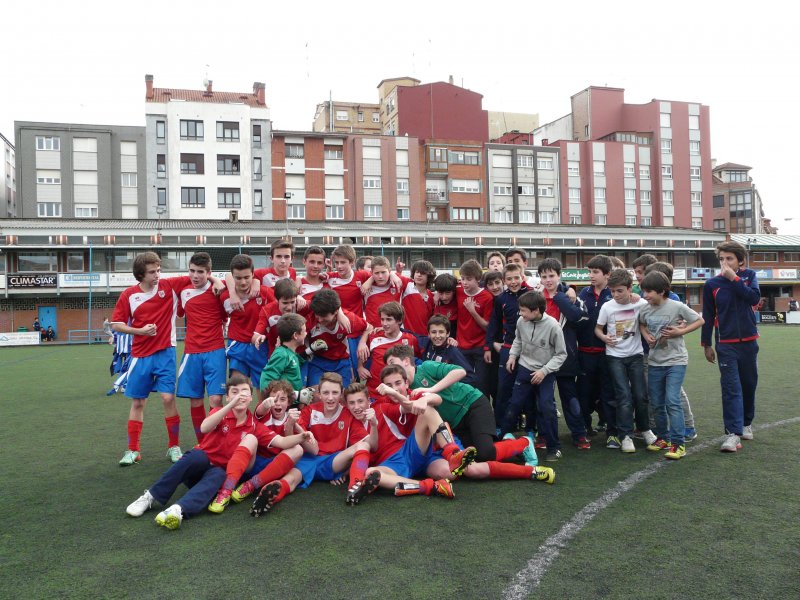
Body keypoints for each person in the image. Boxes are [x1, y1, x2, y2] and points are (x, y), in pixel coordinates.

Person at [124, 375, 291, 529]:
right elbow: (204, 428)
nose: (239, 395)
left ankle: (177, 509)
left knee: (219, 474)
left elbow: (282, 442)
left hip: (215, 477)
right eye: (234, 392)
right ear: (227, 397)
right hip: (197, 468)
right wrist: (231, 405)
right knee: (197, 456)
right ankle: (151, 496)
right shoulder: (220, 412)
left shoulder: (254, 425)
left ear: (250, 398)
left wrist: (302, 435)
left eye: (244, 392)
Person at [111, 252, 190, 466]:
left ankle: (174, 446)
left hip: (166, 352)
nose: (157, 275)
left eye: (158, 270)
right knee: (138, 402)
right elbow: (116, 324)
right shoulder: (129, 295)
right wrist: (139, 331)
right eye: (152, 272)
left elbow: (199, 275)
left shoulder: (169, 286)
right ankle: (133, 450)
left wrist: (218, 282)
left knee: (168, 398)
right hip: (140, 355)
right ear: (141, 274)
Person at [384, 345, 499, 462]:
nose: (390, 367)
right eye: (388, 365)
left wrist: (431, 389)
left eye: (392, 362)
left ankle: (511, 444)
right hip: (454, 424)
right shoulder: (403, 388)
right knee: (470, 458)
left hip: (471, 404)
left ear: (406, 361)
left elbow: (460, 371)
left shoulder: (426, 367)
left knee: (485, 453)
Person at [701, 240, 761, 453]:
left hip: (749, 342)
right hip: (725, 345)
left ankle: (746, 423)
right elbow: (708, 315)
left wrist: (734, 279)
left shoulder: (749, 277)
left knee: (748, 385)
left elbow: (753, 298)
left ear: (740, 261)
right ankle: (732, 434)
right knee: (731, 388)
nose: (724, 263)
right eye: (721, 259)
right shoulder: (711, 284)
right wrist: (706, 344)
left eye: (729, 258)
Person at [639, 271, 704, 459]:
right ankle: (663, 438)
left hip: (676, 361)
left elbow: (700, 320)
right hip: (655, 362)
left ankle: (678, 443)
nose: (645, 295)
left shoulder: (677, 306)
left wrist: (679, 331)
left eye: (649, 292)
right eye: (644, 291)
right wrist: (647, 336)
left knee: (672, 401)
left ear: (661, 291)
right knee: (657, 402)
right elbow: (642, 324)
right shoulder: (645, 309)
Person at [503, 291, 567, 461]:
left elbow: (561, 354)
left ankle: (554, 447)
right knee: (514, 405)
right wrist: (512, 356)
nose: (520, 314)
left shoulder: (553, 326)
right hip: (524, 368)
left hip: (545, 372)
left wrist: (544, 371)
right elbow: (518, 340)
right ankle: (501, 442)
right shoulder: (521, 321)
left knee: (546, 406)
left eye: (523, 310)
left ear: (536, 310)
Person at [594, 269, 652, 453]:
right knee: (623, 396)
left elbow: (655, 308)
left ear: (629, 288)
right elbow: (598, 329)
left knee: (641, 396)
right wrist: (604, 338)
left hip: (636, 355)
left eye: (620, 290)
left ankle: (645, 429)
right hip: (614, 357)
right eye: (612, 291)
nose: (615, 295)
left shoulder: (641, 303)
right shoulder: (607, 307)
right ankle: (626, 435)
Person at [174, 252, 229, 443]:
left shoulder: (218, 290)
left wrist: (217, 282)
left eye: (200, 272)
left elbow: (227, 311)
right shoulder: (184, 291)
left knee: (216, 400)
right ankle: (203, 443)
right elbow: (179, 312)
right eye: (192, 271)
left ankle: (217, 442)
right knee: (196, 400)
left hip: (215, 351)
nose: (195, 276)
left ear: (209, 272)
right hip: (192, 353)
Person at [537, 258, 591, 450]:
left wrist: (561, 298)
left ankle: (579, 434)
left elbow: (578, 317)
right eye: (544, 276)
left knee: (570, 398)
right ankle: (544, 435)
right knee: (544, 400)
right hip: (542, 358)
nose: (548, 280)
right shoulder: (536, 297)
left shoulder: (568, 296)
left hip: (565, 357)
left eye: (551, 275)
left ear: (559, 276)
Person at [221, 254, 275, 401]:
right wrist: (232, 292)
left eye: (247, 277)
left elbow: (280, 307)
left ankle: (261, 415)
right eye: (238, 278)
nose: (243, 282)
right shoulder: (225, 297)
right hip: (237, 345)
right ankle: (237, 417)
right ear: (233, 277)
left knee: (263, 390)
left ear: (253, 275)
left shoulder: (264, 292)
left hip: (260, 345)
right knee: (237, 389)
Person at [484, 263, 529, 433]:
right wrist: (488, 346)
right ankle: (500, 426)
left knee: (528, 390)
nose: (513, 281)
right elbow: (494, 324)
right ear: (504, 280)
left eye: (516, 277)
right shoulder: (501, 299)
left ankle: (531, 427)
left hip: (529, 351)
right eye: (509, 279)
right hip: (508, 348)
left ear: (522, 277)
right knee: (503, 389)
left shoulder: (532, 294)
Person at [576, 254, 614, 441]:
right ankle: (585, 426)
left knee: (608, 393)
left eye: (595, 272)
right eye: (589, 271)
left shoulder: (613, 294)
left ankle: (612, 431)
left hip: (608, 354)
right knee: (584, 393)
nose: (591, 275)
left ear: (607, 274)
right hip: (584, 353)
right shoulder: (583, 294)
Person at [357, 301, 420, 402]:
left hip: (398, 394)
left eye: (389, 319)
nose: (384, 323)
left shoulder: (410, 339)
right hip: (374, 393)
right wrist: (360, 367)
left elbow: (416, 360)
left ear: (399, 320)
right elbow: (363, 354)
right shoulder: (373, 336)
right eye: (382, 319)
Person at [307, 289, 369, 387]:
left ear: (335, 312)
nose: (320, 319)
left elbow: (369, 328)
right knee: (316, 392)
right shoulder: (310, 316)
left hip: (341, 361)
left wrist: (362, 343)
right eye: (318, 315)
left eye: (324, 316)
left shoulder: (348, 319)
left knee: (344, 393)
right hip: (317, 361)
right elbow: (293, 300)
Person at [456, 259, 494, 397]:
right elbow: (444, 288)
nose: (464, 282)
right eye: (462, 278)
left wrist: (473, 311)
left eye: (469, 279)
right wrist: (437, 294)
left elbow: (487, 326)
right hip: (461, 346)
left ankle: (483, 407)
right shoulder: (458, 291)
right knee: (464, 383)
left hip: (479, 346)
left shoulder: (487, 297)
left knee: (482, 383)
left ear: (478, 279)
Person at [259, 313, 307, 394]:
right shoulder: (281, 354)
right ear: (295, 335)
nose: (306, 333)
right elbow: (266, 383)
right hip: (284, 401)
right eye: (304, 331)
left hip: (291, 400)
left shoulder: (289, 353)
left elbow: (293, 363)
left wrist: (310, 350)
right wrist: (294, 395)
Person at [400, 260, 436, 336]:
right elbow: (391, 275)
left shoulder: (432, 297)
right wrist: (397, 271)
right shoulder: (408, 285)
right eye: (417, 272)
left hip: (424, 337)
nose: (419, 275)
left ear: (429, 276)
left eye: (423, 273)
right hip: (407, 336)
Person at [433, 272, 459, 338]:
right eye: (441, 293)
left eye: (448, 293)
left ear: (454, 291)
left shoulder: (459, 296)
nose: (444, 297)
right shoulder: (434, 300)